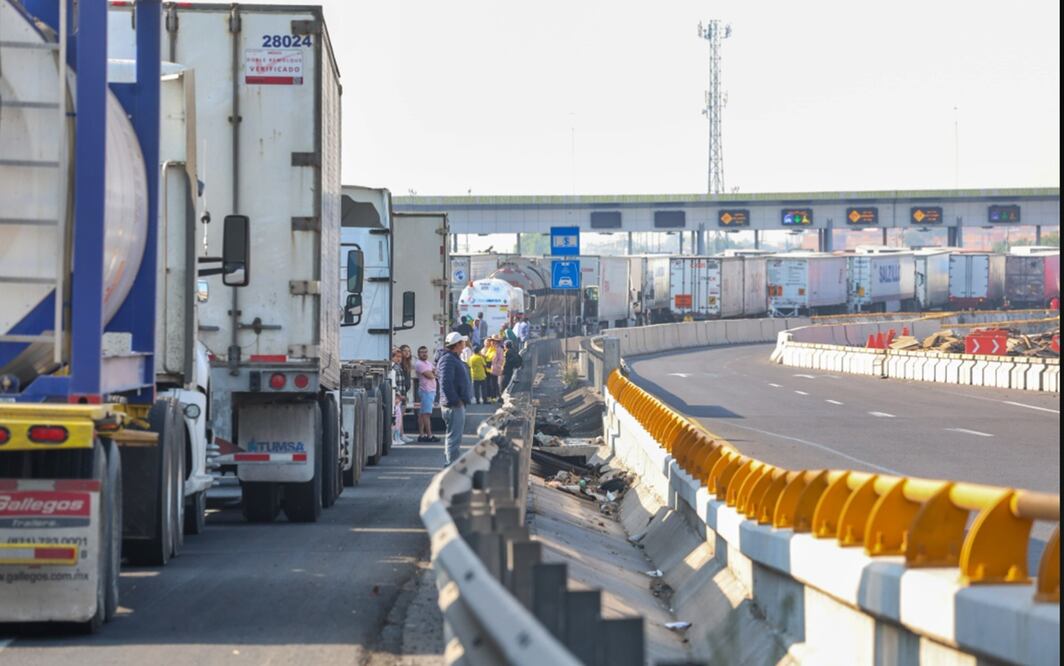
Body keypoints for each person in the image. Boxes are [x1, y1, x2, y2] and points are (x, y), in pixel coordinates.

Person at [436, 332, 474, 466]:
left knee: (453, 436)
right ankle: (451, 464)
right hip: (453, 405)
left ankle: (451, 462)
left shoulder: (452, 358)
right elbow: (445, 382)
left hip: (455, 403)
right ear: (457, 344)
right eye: (462, 343)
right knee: (454, 437)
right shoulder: (448, 360)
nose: (464, 345)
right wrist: (455, 400)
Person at [413, 346, 439, 442]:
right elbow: (431, 376)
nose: (424, 354)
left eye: (425, 352)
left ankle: (421, 435)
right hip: (426, 391)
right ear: (418, 354)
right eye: (422, 352)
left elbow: (435, 371)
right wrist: (433, 374)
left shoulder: (428, 363)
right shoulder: (419, 364)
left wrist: (433, 373)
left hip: (431, 391)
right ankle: (429, 435)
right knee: (426, 414)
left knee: (422, 414)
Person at [389, 348, 414, 445]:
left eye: (400, 357)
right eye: (397, 357)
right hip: (396, 397)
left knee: (398, 418)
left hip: (400, 396)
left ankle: (398, 436)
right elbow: (394, 383)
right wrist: (398, 395)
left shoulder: (398, 367)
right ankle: (394, 437)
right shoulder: (394, 368)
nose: (399, 359)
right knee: (395, 418)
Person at [487, 336, 505, 402]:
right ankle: (493, 397)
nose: (492, 342)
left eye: (493, 341)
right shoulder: (491, 349)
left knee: (494, 383)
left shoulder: (499, 349)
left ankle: (495, 397)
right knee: (491, 383)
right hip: (489, 368)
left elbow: (501, 359)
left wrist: (497, 366)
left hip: (495, 369)